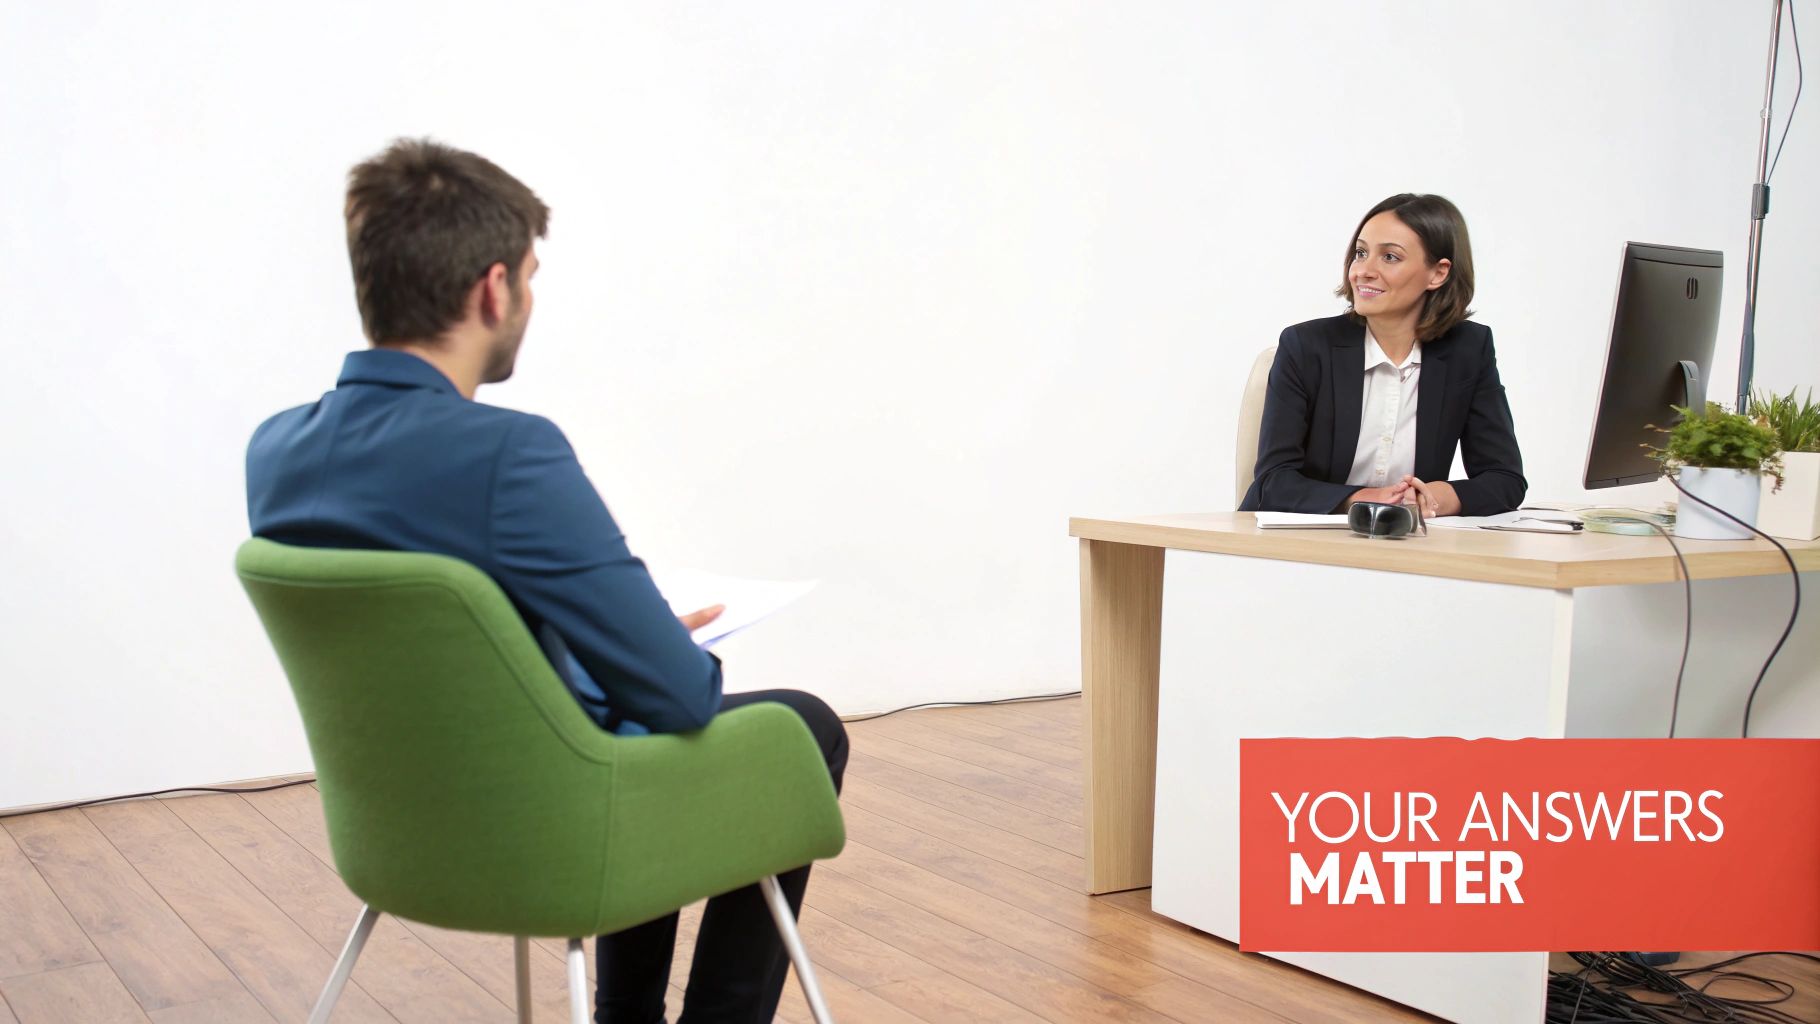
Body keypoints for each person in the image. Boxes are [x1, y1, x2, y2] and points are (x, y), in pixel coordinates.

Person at [245, 138, 845, 1024]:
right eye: (529, 276)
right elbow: (682, 700)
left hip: (397, 836)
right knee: (802, 724)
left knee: (630, 705)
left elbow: (446, 644)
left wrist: (605, 644)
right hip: (549, 831)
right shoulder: (508, 455)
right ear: (495, 288)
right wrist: (645, 647)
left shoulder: (277, 452)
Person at [1238, 193, 1525, 517]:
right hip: (1294, 546)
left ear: (1438, 273)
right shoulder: (1306, 346)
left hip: (1403, 545)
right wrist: (1366, 498)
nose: (1363, 271)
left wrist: (1435, 497)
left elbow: (1505, 479)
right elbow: (1273, 484)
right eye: (1361, 253)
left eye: (1389, 257)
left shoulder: (1468, 350)